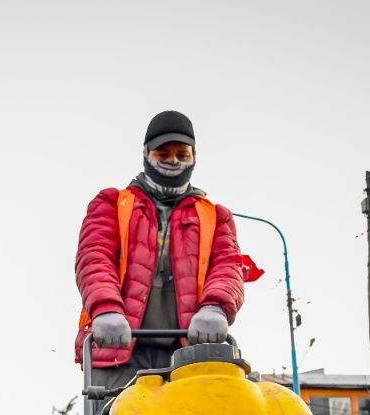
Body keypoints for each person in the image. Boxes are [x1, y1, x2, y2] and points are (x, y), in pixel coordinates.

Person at [74, 109, 249, 391]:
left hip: (188, 351)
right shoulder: (112, 204)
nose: (173, 161)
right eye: (163, 153)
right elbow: (95, 258)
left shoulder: (215, 216)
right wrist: (106, 310)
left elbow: (228, 266)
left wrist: (215, 307)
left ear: (193, 157)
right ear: (146, 154)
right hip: (118, 346)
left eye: (182, 154)